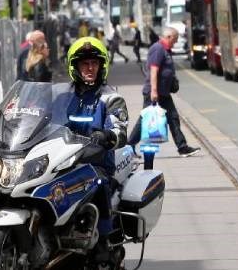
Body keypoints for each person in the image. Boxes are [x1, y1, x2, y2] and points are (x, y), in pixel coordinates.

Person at [61, 36, 129, 255]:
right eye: (84, 63)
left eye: (94, 63)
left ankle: (104, 244)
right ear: (75, 67)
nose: (90, 68)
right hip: (63, 159)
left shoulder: (110, 98)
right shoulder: (62, 96)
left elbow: (120, 131)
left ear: (101, 66)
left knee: (98, 182)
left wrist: (108, 135)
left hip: (96, 161)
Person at [128, 27, 200, 157]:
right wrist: (154, 91)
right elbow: (153, 70)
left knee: (173, 118)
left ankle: (182, 147)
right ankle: (128, 146)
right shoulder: (158, 49)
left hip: (164, 93)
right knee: (145, 120)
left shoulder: (166, 50)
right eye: (175, 39)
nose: (175, 42)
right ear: (169, 37)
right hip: (154, 92)